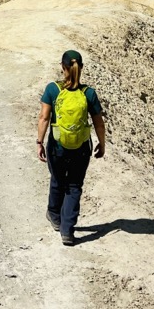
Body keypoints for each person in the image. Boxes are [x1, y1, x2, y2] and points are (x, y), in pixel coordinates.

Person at [36, 50, 105, 246]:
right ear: (80, 68)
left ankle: (54, 216)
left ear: (62, 67)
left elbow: (44, 118)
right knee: (74, 186)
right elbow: (99, 123)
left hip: (57, 146)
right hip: (81, 148)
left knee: (57, 179)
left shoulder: (53, 89)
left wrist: (39, 142)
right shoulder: (88, 93)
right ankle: (67, 230)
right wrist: (102, 143)